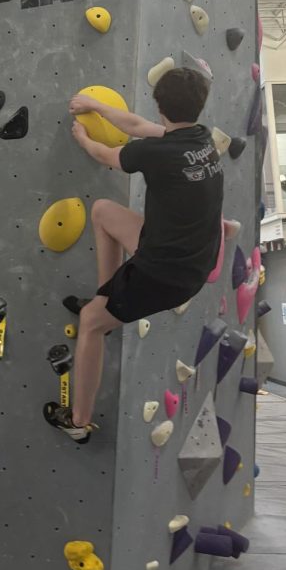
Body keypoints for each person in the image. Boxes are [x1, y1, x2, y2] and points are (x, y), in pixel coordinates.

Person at [44, 68, 227, 444]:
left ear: (160, 106)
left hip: (166, 274)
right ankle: (109, 294)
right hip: (189, 253)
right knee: (103, 212)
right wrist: (94, 104)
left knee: (91, 323)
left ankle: (78, 422)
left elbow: (106, 154)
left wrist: (81, 137)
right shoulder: (200, 139)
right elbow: (137, 125)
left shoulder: (156, 152)